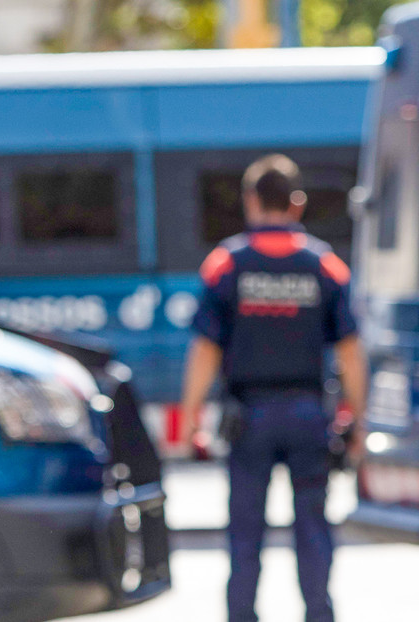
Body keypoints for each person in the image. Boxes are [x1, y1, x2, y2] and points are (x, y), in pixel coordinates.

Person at [179, 154, 367, 622]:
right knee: (313, 530)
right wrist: (358, 420)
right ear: (297, 203)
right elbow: (350, 353)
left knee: (244, 535)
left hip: (248, 418)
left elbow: (205, 351)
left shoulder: (226, 264)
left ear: (250, 201)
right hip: (308, 414)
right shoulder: (325, 265)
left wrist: (189, 420)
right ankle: (319, 614)